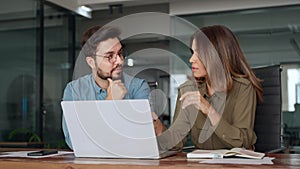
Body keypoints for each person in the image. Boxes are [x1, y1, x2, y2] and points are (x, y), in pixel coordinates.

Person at [156, 25, 263, 151]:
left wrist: (209, 110)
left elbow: (243, 141)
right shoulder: (188, 90)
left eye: (199, 53)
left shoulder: (243, 88)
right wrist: (159, 129)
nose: (191, 59)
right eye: (192, 52)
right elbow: (176, 142)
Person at [62, 26, 151, 149]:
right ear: (91, 62)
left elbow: (139, 138)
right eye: (109, 56)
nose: (119, 61)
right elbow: (74, 141)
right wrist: (111, 101)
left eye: (120, 53)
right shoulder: (74, 90)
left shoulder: (138, 87)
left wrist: (93, 131)